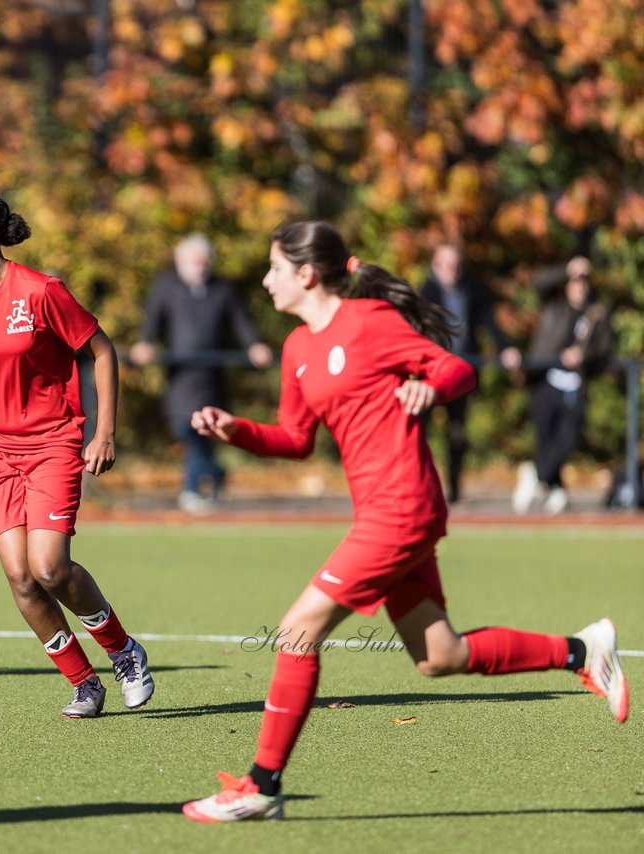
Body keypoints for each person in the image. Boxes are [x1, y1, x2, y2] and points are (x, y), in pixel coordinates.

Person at [181, 221, 628, 824]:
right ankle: (583, 650)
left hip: (405, 505)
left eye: (275, 269)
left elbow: (456, 368)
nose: (266, 281)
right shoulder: (296, 348)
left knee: (295, 631)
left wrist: (431, 391)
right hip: (381, 511)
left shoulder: (369, 323)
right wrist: (235, 429)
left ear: (307, 274)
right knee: (440, 655)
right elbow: (294, 440)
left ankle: (261, 786)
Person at [0, 189, 155, 718]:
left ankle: (122, 650)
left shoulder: (41, 291)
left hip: (51, 444)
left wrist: (106, 432)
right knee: (20, 577)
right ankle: (83, 683)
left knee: (49, 567)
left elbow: (101, 350)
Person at [129, 234, 273, 513]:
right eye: (194, 261)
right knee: (185, 427)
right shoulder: (165, 287)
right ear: (181, 262)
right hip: (180, 376)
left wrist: (255, 345)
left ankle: (193, 488)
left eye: (204, 261)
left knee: (206, 429)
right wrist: (145, 344)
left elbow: (241, 323)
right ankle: (213, 475)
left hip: (212, 376)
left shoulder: (223, 289)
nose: (200, 267)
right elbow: (152, 323)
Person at [512, 255, 614, 515]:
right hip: (546, 380)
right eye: (576, 280)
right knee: (545, 439)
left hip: (575, 384)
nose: (580, 285)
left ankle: (535, 474)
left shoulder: (597, 313)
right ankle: (555, 489)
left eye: (585, 280)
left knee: (568, 438)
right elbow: (539, 283)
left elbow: (604, 349)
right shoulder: (554, 305)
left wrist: (584, 356)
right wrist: (566, 269)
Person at [420, 243, 521, 503]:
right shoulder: (426, 292)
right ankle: (419, 487)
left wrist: (505, 349)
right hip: (429, 373)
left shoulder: (471, 290)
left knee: (457, 434)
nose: (453, 271)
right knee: (419, 433)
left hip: (459, 374)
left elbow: (489, 322)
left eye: (456, 266)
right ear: (436, 265)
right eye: (447, 265)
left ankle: (454, 490)